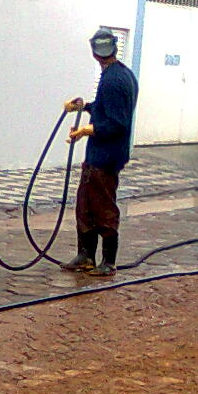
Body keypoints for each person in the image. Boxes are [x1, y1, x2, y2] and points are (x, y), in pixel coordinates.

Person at [62, 28, 139, 277]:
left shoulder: (114, 80)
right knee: (85, 205)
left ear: (95, 53)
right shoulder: (117, 74)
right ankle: (86, 256)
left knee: (103, 207)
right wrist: (84, 107)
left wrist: (88, 130)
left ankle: (108, 261)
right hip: (97, 157)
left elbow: (118, 122)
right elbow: (105, 109)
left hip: (106, 158)